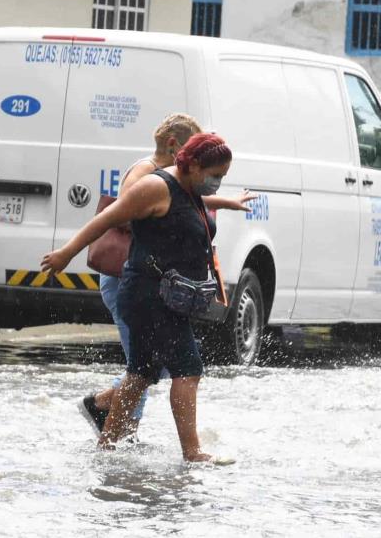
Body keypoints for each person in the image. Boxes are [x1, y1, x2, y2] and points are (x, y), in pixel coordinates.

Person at [42, 133, 236, 462]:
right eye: (215, 175)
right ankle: (193, 453)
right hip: (149, 295)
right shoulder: (155, 187)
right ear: (192, 165)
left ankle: (108, 445)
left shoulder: (190, 190)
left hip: (166, 295)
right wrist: (65, 254)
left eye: (223, 176)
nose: (217, 182)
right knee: (188, 368)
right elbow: (105, 219)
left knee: (141, 372)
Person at [78, 114, 254, 440]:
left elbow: (179, 198)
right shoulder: (147, 175)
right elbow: (128, 209)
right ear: (175, 146)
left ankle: (110, 428)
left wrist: (224, 203)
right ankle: (121, 427)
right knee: (154, 368)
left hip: (155, 285)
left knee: (145, 369)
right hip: (135, 280)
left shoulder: (173, 180)